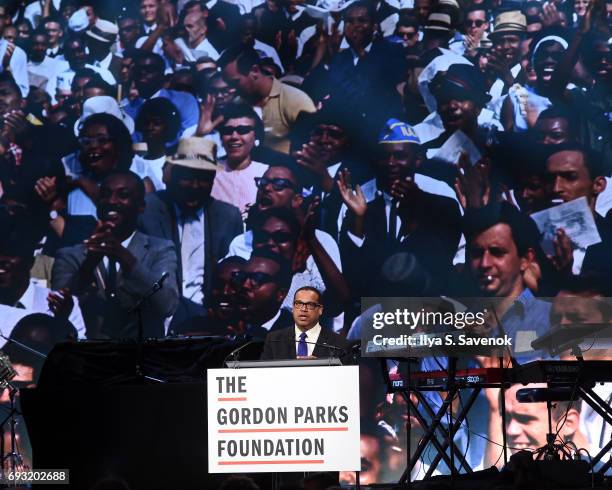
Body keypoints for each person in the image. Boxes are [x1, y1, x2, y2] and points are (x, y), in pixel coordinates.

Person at [51, 171, 179, 339]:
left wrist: (124, 257)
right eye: (105, 195)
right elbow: (59, 307)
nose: (112, 201)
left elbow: (167, 304)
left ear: (141, 206)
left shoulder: (160, 250)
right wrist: (89, 263)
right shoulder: (70, 255)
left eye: (123, 195)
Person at [137, 137, 243, 329]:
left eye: (203, 178)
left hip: (207, 322)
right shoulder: (147, 210)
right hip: (155, 318)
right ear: (173, 174)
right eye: (187, 176)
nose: (195, 185)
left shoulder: (228, 217)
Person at [219, 44, 316, 153]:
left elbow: (310, 150)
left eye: (235, 82)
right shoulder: (237, 104)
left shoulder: (296, 101)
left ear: (254, 71)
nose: (231, 90)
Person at [261, 285, 350, 360]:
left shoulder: (337, 343)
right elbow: (263, 373)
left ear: (320, 310)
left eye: (310, 305)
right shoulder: (274, 339)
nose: (303, 309)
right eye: (298, 304)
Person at [211, 104, 269, 217]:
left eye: (242, 130)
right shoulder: (210, 172)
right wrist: (200, 133)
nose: (234, 136)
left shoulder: (266, 173)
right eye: (228, 131)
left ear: (256, 136)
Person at [130, 97, 182, 192]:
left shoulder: (174, 166)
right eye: (146, 123)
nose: (150, 127)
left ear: (169, 127)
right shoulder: (131, 163)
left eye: (157, 123)